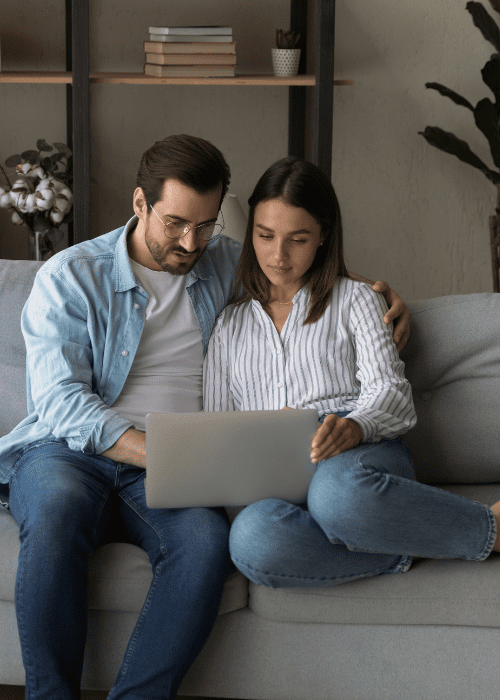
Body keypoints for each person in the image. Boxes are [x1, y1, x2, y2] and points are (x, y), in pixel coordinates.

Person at [0, 135, 410, 700]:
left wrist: (382, 296)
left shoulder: (221, 261)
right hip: (71, 452)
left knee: (203, 544)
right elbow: (61, 402)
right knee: (56, 508)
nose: (190, 242)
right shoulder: (71, 277)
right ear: (140, 203)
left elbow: (301, 272)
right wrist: (155, 451)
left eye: (206, 225)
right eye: (175, 224)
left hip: (180, 464)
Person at [203, 155, 500, 591]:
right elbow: (218, 429)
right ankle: (411, 540)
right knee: (251, 538)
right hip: (275, 477)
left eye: (297, 239)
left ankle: (487, 530)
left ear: (322, 236)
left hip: (355, 456)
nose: (278, 256)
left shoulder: (356, 300)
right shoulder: (229, 326)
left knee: (337, 497)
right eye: (265, 236)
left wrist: (355, 426)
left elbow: (392, 394)